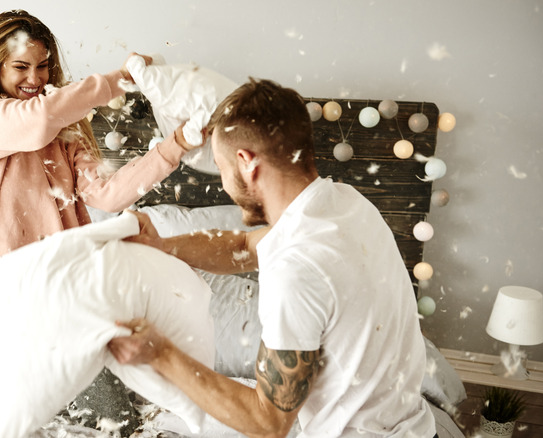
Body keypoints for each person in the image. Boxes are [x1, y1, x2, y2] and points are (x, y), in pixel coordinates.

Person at [108, 79, 437, 437]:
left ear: (246, 162)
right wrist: (162, 247)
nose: (223, 183)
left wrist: (161, 355)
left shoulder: (294, 269)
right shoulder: (346, 203)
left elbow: (269, 422)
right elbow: (246, 247)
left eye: (221, 168)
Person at [0, 10, 201, 437]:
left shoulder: (63, 132)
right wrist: (119, 79)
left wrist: (176, 145)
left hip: (62, 291)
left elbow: (107, 195)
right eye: (20, 67)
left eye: (43, 67)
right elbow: (36, 120)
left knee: (117, 423)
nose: (34, 78)